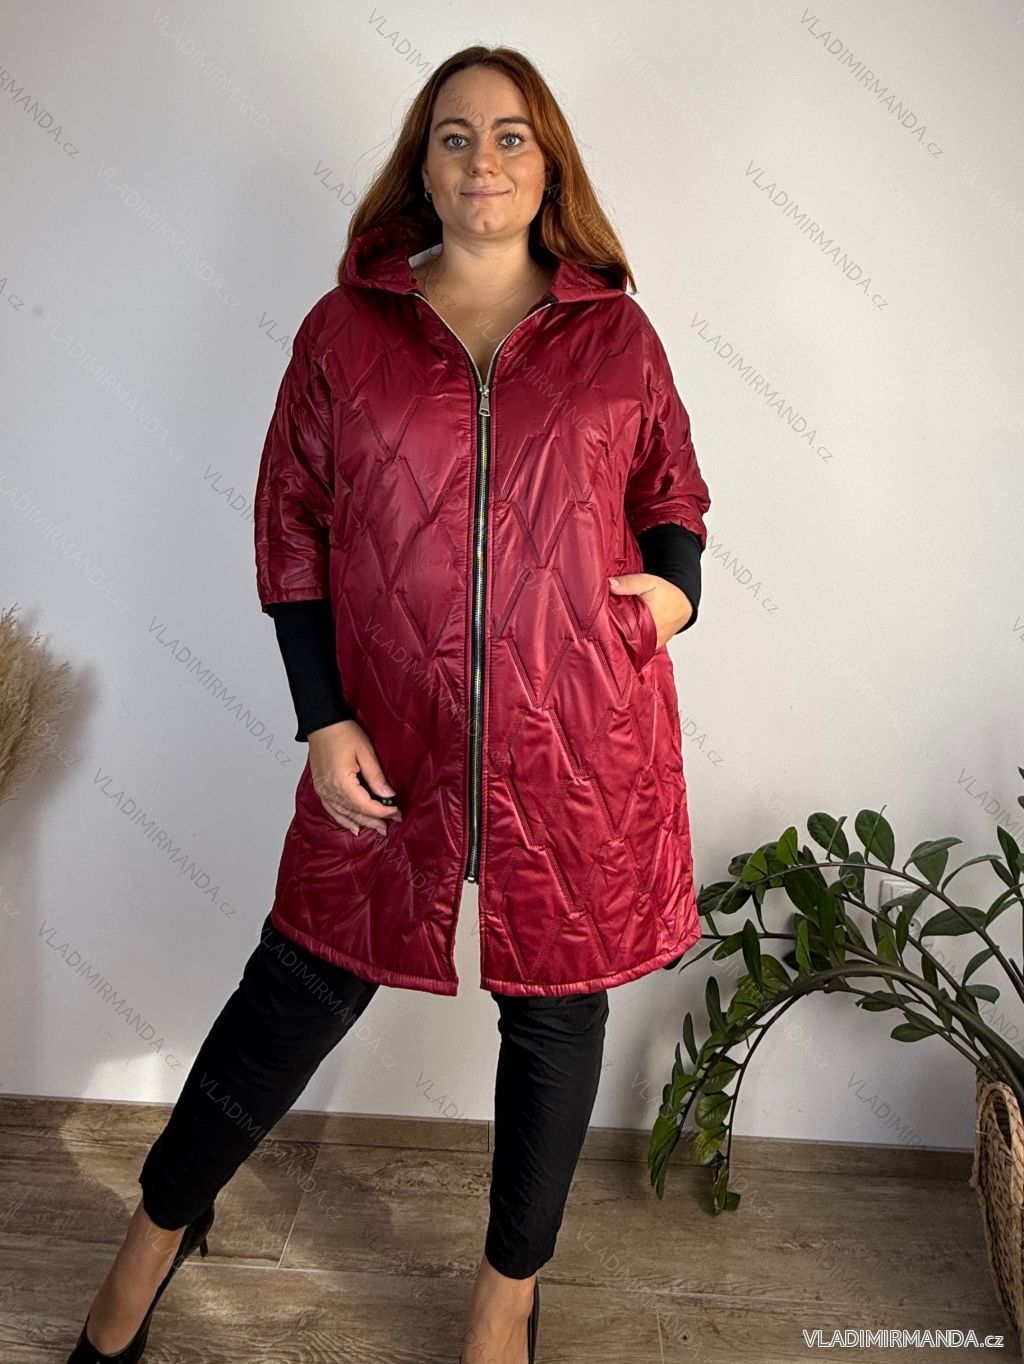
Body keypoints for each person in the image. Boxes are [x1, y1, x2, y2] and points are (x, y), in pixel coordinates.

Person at [66, 43, 710, 1364]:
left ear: (551, 166)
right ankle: (157, 1228)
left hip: (577, 731)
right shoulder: (346, 331)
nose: (484, 160)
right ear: (423, 165)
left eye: (512, 136)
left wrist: (673, 597)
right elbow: (290, 524)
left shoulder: (614, 337)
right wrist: (323, 715)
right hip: (386, 729)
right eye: (455, 135)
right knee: (300, 980)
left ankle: (506, 1297)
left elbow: (671, 491)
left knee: (557, 1008)